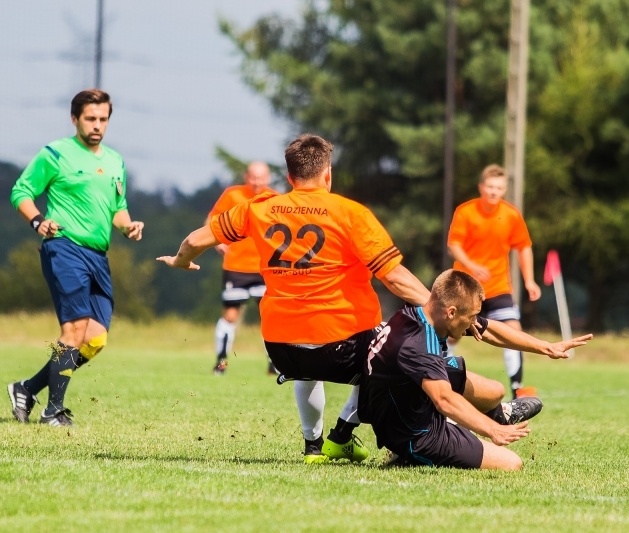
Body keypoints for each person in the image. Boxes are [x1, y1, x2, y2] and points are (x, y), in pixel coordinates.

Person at [157, 133, 431, 463]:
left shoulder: (259, 208)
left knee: (306, 365)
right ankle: (342, 434)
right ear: (328, 172)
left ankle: (312, 447)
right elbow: (394, 277)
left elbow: (195, 239)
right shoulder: (350, 213)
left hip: (282, 349)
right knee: (394, 354)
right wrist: (435, 306)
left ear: (289, 177)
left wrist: (182, 261)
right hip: (342, 348)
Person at [359, 269, 593, 470]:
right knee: (511, 463)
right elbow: (444, 400)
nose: (474, 324)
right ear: (451, 312)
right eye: (471, 317)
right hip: (414, 434)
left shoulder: (424, 312)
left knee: (494, 390)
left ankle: (493, 415)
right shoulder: (419, 346)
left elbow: (489, 329)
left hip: (406, 400)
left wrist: (547, 347)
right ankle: (410, 455)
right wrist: (493, 430)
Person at [7, 89, 144, 427]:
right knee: (74, 328)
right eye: (90, 118)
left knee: (95, 338)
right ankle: (53, 410)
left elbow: (118, 208)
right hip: (64, 248)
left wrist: (128, 227)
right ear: (75, 119)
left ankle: (27, 388)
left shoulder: (115, 161)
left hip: (98, 256)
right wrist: (38, 221)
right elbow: (20, 191)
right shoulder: (55, 154)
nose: (97, 125)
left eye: (103, 119)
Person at [447, 163, 542, 399]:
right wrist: (472, 266)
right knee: (449, 335)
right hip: (466, 288)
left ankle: (518, 389)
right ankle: (440, 381)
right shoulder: (466, 211)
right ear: (481, 187)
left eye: (498, 188)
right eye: (489, 186)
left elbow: (524, 247)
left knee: (514, 332)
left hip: (498, 287)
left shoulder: (511, 215)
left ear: (504, 190)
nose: (493, 192)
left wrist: (530, 281)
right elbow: (454, 245)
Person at [206, 161, 277, 375]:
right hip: (236, 266)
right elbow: (212, 218)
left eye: (262, 177)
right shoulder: (232, 195)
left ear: (268, 178)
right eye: (254, 177)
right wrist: (216, 241)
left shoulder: (274, 199)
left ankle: (274, 364)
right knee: (229, 316)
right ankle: (221, 363)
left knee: (270, 317)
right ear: (246, 177)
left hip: (264, 268)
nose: (257, 182)